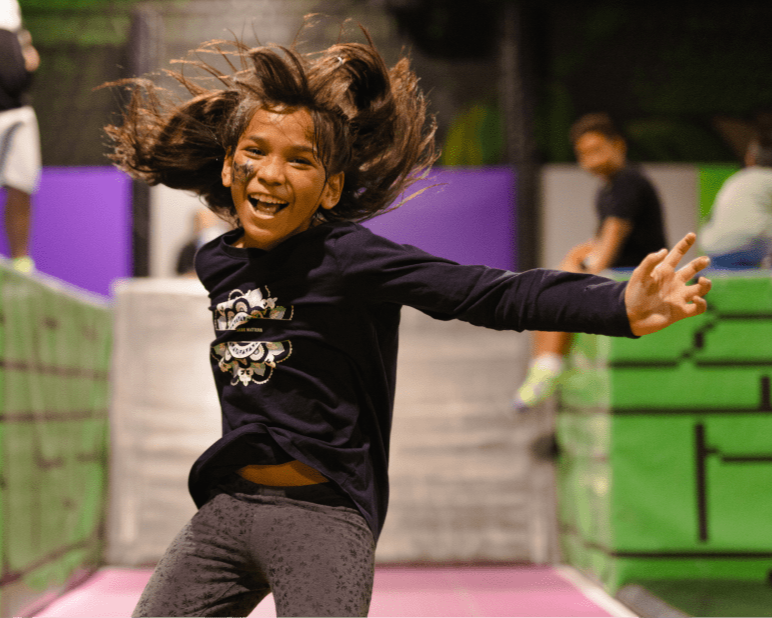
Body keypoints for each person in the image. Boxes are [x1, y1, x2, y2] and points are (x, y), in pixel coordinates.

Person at [103, 24, 710, 618]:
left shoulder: (349, 257)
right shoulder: (216, 261)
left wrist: (614, 305)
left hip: (323, 514)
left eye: (301, 160)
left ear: (332, 188)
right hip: (228, 507)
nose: (271, 173)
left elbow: (483, 293)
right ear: (230, 167)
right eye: (255, 153)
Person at [512, 113, 668, 411]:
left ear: (618, 145)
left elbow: (612, 236)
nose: (590, 160)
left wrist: (584, 277)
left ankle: (547, 365)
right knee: (551, 284)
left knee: (557, 293)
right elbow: (598, 242)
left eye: (597, 150)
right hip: (620, 274)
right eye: (583, 153)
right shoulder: (608, 189)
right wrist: (576, 260)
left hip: (635, 279)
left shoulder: (627, 183)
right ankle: (544, 364)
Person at [0, 0, 41, 273]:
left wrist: (29, 60)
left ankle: (20, 263)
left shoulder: (11, 10)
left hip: (17, 109)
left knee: (21, 184)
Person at [700, 125, 772, 269]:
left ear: (750, 159)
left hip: (714, 247)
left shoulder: (736, 178)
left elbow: (710, 219)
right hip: (753, 244)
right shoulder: (768, 178)